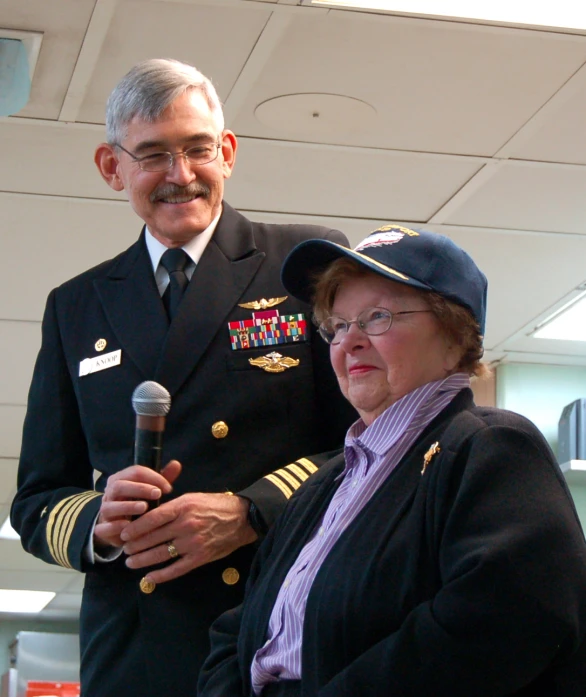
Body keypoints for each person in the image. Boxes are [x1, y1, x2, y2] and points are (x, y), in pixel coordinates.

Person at [10, 58, 356, 697]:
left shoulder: (302, 264)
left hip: (275, 617)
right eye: (153, 155)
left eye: (198, 149)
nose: (181, 175)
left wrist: (251, 509)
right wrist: (98, 523)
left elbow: (370, 443)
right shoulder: (76, 305)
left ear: (226, 152)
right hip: (136, 642)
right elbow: (35, 500)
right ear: (113, 168)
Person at [198, 224, 586, 697]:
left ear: (454, 334)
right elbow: (235, 631)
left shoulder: (491, 446)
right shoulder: (323, 485)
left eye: (376, 317)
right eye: (337, 326)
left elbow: (502, 620)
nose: (348, 342)